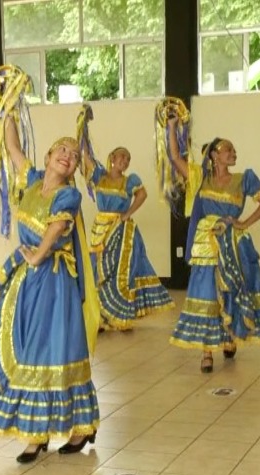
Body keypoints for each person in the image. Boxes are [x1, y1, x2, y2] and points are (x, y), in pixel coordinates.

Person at [0, 67, 100, 463]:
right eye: (62, 150)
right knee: (27, 349)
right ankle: (36, 432)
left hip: (54, 280)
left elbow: (58, 229)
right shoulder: (30, 181)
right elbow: (11, 147)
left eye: (73, 156)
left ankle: (80, 428)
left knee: (54, 349)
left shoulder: (69, 196)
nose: (67, 156)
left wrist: (40, 255)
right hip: (29, 280)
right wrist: (8, 106)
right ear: (47, 156)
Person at [162, 112, 260, 373]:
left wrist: (243, 223)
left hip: (233, 242)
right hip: (206, 244)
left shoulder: (245, 179)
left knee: (231, 290)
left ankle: (230, 336)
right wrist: (172, 127)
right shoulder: (200, 178)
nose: (233, 153)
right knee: (205, 292)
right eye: (228, 149)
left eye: (234, 150)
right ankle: (206, 352)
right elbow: (175, 157)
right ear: (214, 155)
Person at [77, 106, 173, 330]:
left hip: (121, 230)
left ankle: (120, 314)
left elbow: (143, 194)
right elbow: (84, 155)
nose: (125, 161)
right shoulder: (99, 176)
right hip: (101, 229)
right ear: (112, 158)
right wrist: (82, 125)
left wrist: (127, 214)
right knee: (98, 270)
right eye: (122, 157)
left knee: (120, 270)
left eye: (128, 159)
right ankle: (99, 315)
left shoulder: (131, 180)